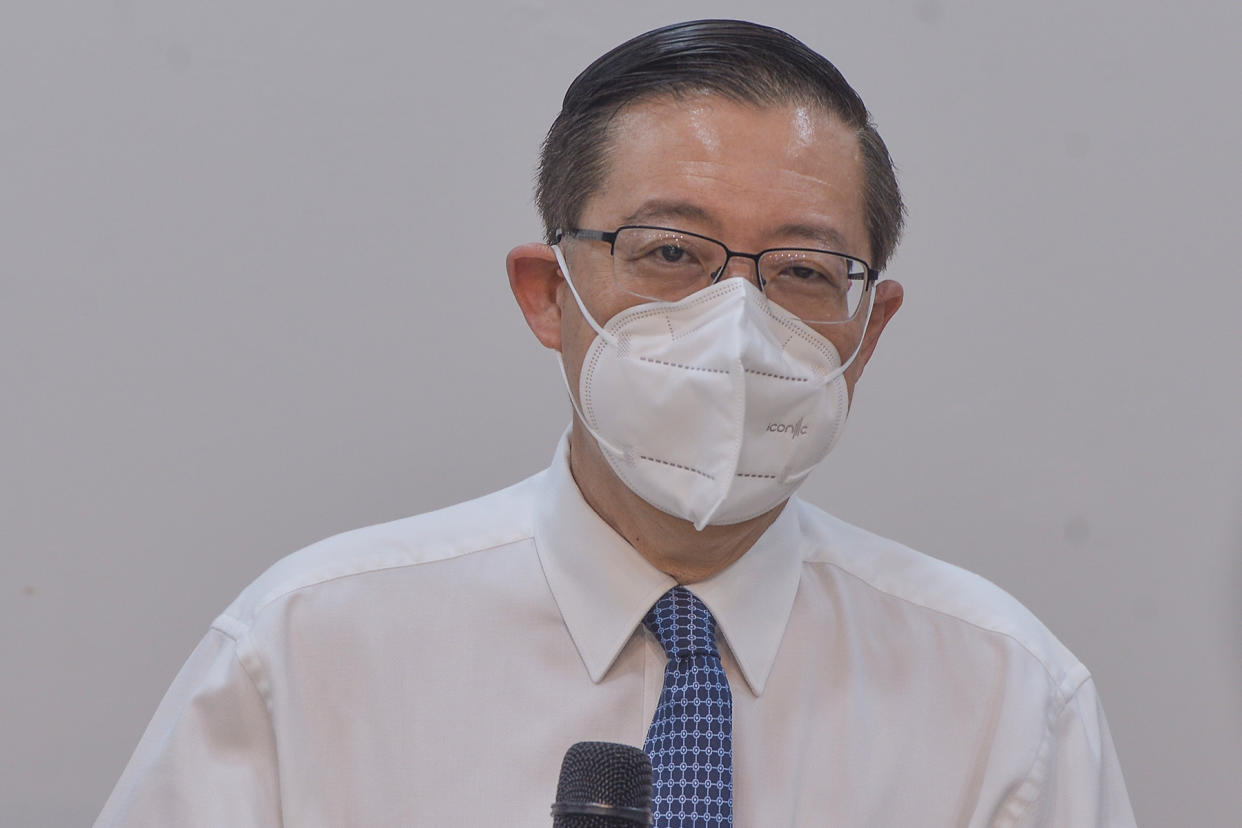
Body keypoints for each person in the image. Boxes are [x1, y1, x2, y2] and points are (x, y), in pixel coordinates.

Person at [96, 20, 1136, 827]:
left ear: (868, 332)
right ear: (548, 294)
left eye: (804, 273)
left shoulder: (1008, 697)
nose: (737, 326)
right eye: (671, 254)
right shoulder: (308, 651)